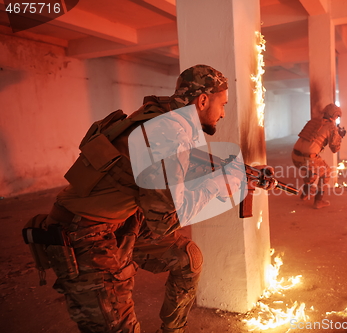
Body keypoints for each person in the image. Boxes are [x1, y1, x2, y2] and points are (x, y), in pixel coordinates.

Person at [43, 65, 242, 333]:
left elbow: (163, 173)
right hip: (83, 235)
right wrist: (216, 187)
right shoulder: (170, 134)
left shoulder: (159, 118)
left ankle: (174, 329)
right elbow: (164, 221)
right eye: (223, 104)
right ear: (203, 100)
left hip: (119, 224)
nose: (223, 113)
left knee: (186, 258)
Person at [291, 103, 343, 209]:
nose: (337, 119)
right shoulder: (331, 127)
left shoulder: (313, 121)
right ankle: (318, 201)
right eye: (337, 116)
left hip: (295, 157)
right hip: (309, 159)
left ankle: (305, 194)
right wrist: (339, 136)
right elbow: (335, 149)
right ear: (334, 115)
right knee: (326, 172)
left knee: (315, 170)